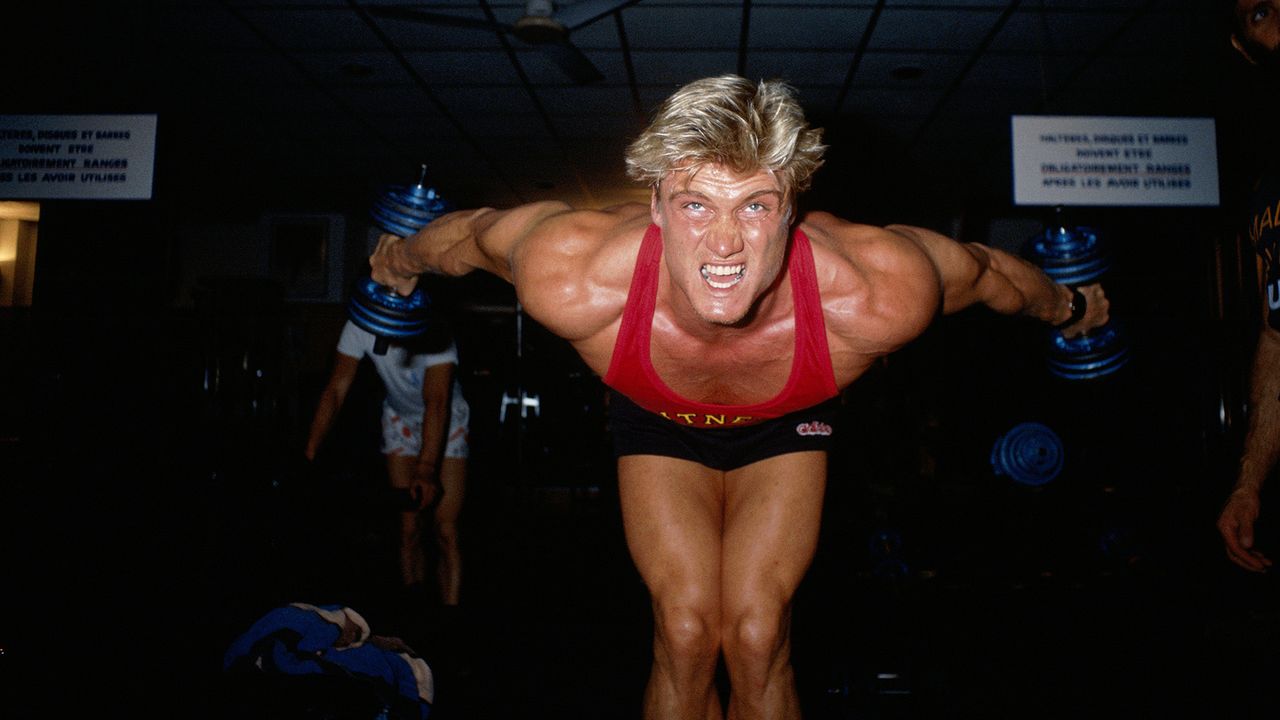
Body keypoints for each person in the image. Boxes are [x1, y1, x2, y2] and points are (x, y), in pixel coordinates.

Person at [369, 75, 1109, 719]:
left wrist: (1070, 310)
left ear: (793, 208)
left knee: (756, 633)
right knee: (687, 630)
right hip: (657, 420)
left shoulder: (879, 290)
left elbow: (988, 276)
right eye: (696, 206)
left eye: (755, 207)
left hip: (787, 423)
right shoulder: (575, 273)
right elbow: (466, 238)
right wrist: (398, 259)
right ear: (656, 204)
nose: (724, 243)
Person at [304, 318, 471, 606]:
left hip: (446, 418)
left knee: (445, 529)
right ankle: (413, 612)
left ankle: (451, 622)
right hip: (399, 419)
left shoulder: (434, 326)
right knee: (408, 530)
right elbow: (335, 389)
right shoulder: (359, 324)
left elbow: (437, 401)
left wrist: (426, 469)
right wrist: (308, 454)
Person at [1217, 0, 1280, 574]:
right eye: (1263, 11)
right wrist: (1248, 484)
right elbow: (1277, 342)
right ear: (1247, 45)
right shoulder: (1268, 197)